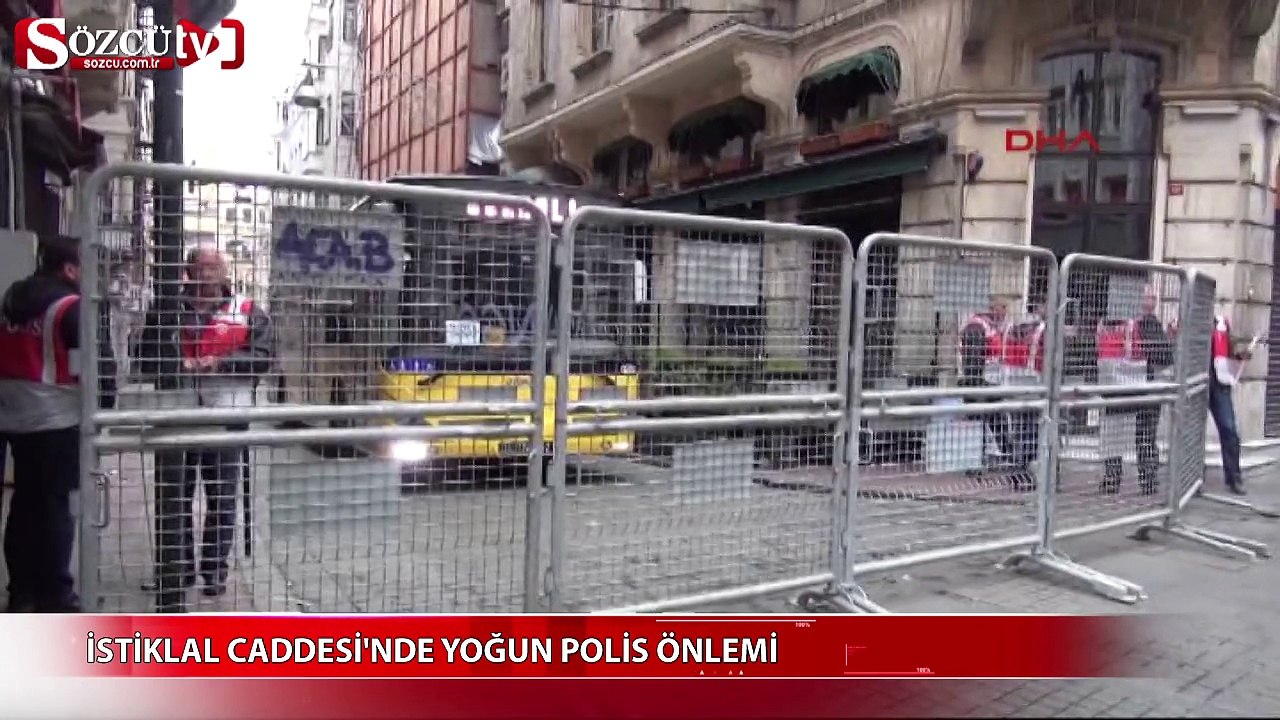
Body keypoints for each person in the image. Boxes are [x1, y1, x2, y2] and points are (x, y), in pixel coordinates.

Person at [135, 248, 272, 611]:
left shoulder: (246, 310)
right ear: (187, 271)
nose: (208, 273)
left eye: (214, 267)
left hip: (226, 415)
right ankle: (176, 570)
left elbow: (263, 357)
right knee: (174, 495)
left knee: (222, 497)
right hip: (176, 414)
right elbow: (145, 356)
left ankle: (214, 571)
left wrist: (221, 363)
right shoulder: (166, 309)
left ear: (225, 273)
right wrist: (175, 363)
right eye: (201, 266)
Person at [0, 235, 116, 612]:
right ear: (70, 268)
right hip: (58, 418)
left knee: (25, 503)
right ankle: (56, 595)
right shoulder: (71, 307)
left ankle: (22, 591)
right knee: (58, 508)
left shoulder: (13, 299)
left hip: (14, 414)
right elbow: (98, 369)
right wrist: (103, 414)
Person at [958, 297, 1017, 479]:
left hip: (989, 384)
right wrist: (977, 386)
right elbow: (972, 359)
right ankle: (975, 461)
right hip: (979, 384)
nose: (1006, 312)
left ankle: (1008, 455)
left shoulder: (990, 326)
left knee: (996, 420)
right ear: (992, 308)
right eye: (1003, 306)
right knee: (979, 422)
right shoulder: (976, 326)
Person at [1000, 301, 1047, 491]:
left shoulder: (1010, 329)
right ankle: (1027, 474)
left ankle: (1017, 473)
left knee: (1017, 433)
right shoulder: (1041, 331)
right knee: (1031, 434)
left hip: (1012, 388)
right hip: (1034, 389)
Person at [1208, 312, 1251, 496]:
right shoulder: (1188, 318)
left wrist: (1240, 354)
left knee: (1230, 430)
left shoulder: (1221, 323)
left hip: (1219, 385)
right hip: (1196, 383)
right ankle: (1190, 478)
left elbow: (1230, 348)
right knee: (1190, 435)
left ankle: (1234, 477)